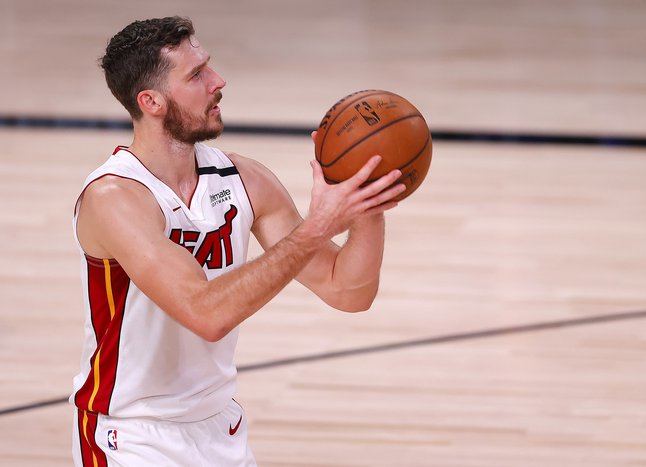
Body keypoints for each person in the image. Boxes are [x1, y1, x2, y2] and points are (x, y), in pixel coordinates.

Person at [70, 16, 404, 467]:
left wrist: (368, 205)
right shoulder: (115, 197)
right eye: (196, 75)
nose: (217, 81)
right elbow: (206, 314)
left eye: (208, 66)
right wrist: (316, 228)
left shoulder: (244, 178)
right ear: (151, 101)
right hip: (129, 434)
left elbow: (348, 291)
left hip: (220, 426)